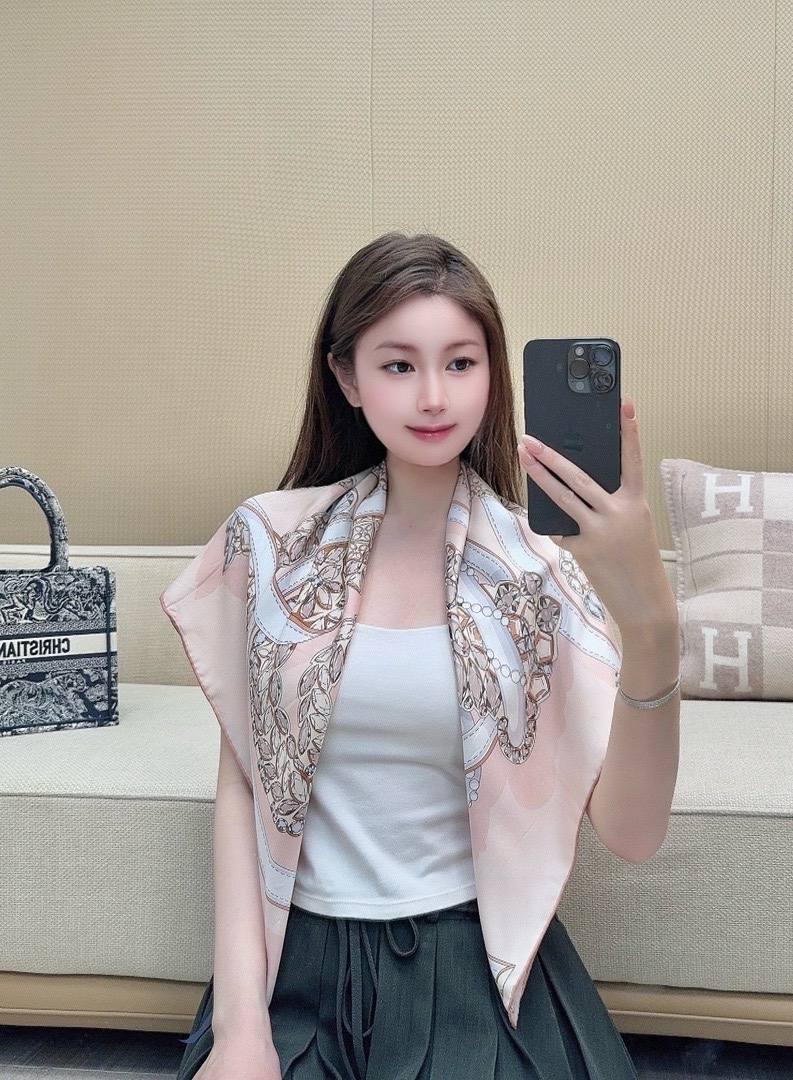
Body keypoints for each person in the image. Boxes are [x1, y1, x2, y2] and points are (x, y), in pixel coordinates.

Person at [163, 233, 680, 1079]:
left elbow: (631, 832)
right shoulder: (271, 546)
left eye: (461, 363)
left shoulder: (539, 569)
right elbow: (241, 789)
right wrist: (242, 1028)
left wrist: (654, 626)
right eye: (399, 365)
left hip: (473, 969)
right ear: (346, 377)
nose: (434, 396)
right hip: (296, 971)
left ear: (493, 374)